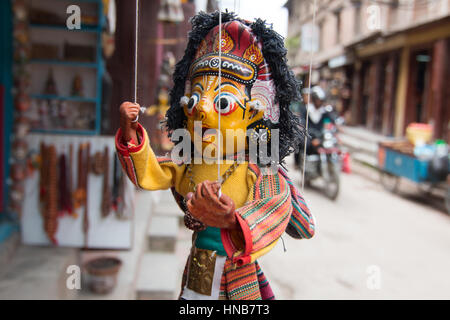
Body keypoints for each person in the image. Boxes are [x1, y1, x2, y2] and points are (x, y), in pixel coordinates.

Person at [115, 11, 315, 300]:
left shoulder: (260, 168)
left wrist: (232, 221)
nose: (201, 109)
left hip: (240, 273)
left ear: (255, 112)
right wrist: (129, 132)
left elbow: (275, 208)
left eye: (222, 101)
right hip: (201, 267)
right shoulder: (190, 161)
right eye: (194, 99)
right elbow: (150, 173)